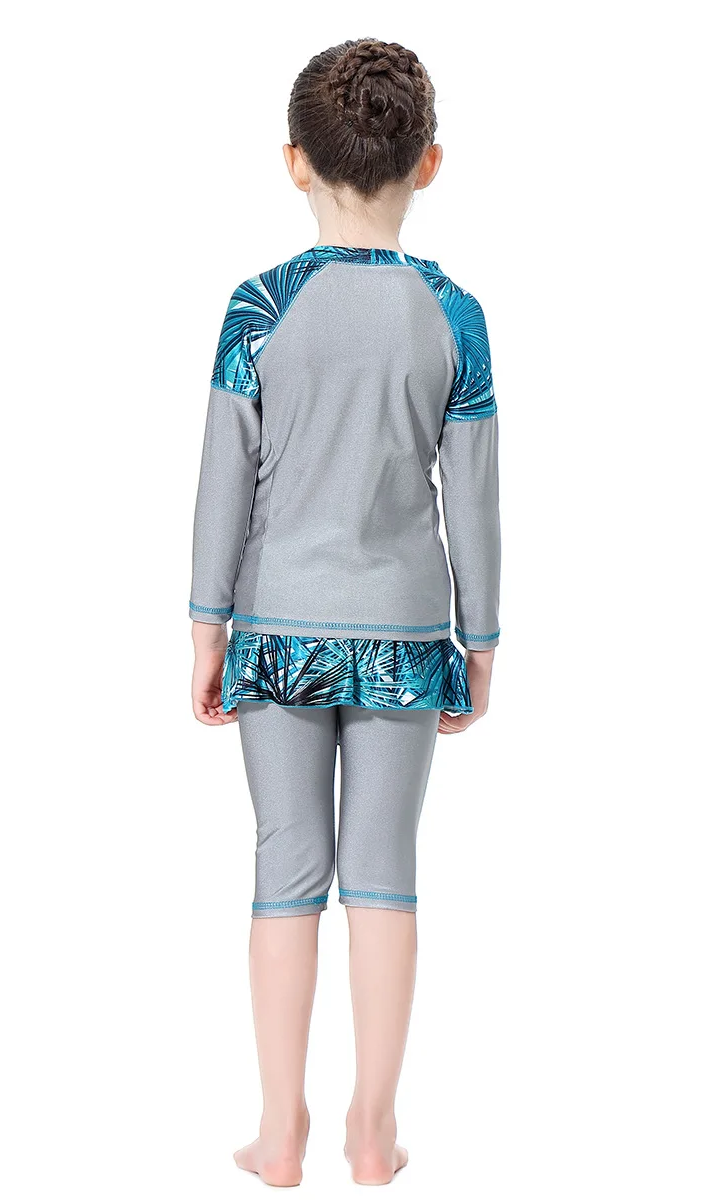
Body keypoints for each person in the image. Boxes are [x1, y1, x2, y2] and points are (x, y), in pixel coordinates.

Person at [188, 37, 501, 1187]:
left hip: (276, 628)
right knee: (382, 867)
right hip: (407, 634)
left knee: (286, 863)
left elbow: (225, 479)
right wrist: (481, 640)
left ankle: (281, 1130)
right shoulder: (453, 314)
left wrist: (207, 625)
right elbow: (474, 491)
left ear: (294, 162)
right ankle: (374, 1128)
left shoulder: (260, 308)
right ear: (429, 164)